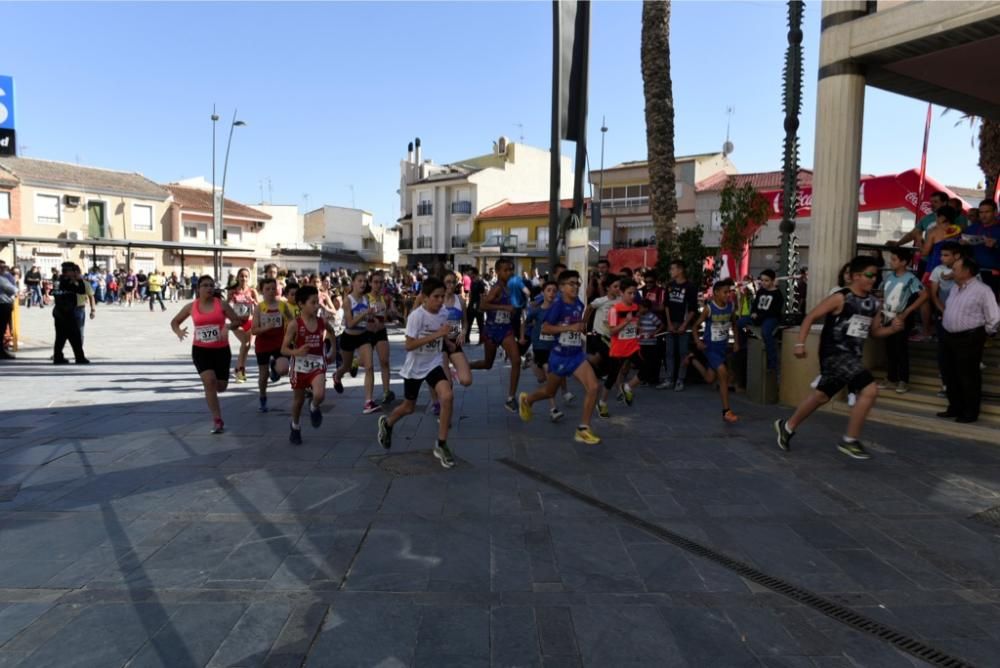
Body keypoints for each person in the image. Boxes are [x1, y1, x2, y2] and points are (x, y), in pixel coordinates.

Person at [775, 256, 904, 460]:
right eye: (869, 274)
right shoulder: (840, 297)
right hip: (834, 354)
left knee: (821, 396)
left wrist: (892, 329)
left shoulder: (873, 303)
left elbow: (875, 332)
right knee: (869, 390)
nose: (873, 279)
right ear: (855, 276)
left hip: (853, 357)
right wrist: (800, 343)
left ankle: (787, 426)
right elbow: (810, 317)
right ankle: (850, 440)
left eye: (875, 275)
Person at [377, 277, 459, 469]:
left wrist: (449, 341)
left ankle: (441, 444)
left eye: (442, 296)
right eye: (436, 297)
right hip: (415, 366)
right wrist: (437, 335)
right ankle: (387, 423)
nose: (440, 301)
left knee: (447, 396)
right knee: (409, 407)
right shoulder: (417, 316)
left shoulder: (444, 313)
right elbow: (409, 345)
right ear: (425, 298)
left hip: (434, 363)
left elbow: (448, 335)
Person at [518, 270, 602, 445]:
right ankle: (527, 400)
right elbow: (546, 328)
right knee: (550, 392)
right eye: (571, 283)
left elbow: (577, 326)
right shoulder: (557, 306)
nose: (576, 286)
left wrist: (581, 330)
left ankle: (583, 429)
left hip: (577, 355)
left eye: (577, 283)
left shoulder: (579, 304)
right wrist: (570, 328)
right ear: (562, 287)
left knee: (594, 387)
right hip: (560, 357)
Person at [171, 275, 243, 433]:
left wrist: (230, 326)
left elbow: (238, 320)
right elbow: (174, 322)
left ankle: (213, 388)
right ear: (198, 289)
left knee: (221, 387)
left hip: (221, 350)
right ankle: (217, 420)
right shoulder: (191, 306)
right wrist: (178, 331)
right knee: (209, 381)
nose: (209, 288)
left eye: (211, 285)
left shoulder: (222, 305)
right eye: (205, 285)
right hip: (200, 350)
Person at [938, 256, 1000, 424]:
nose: (952, 271)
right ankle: (954, 407)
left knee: (968, 376)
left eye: (955, 268)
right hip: (948, 336)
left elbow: (994, 316)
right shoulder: (954, 288)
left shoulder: (983, 290)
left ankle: (970, 412)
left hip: (969, 337)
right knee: (949, 374)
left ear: (966, 271)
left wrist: (985, 333)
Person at [282, 285, 339, 445]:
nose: (316, 306)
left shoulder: (322, 322)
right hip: (299, 366)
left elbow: (332, 332)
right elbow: (283, 348)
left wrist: (333, 350)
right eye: (313, 303)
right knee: (298, 401)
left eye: (317, 302)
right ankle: (295, 426)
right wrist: (297, 351)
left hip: (317, 363)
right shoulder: (295, 324)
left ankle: (314, 406)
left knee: (320, 394)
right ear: (301, 304)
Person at [469, 258, 522, 412]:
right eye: (505, 270)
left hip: (506, 329)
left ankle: (511, 398)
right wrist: (504, 307)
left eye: (511, 269)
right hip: (492, 330)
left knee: (516, 361)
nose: (509, 272)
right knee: (488, 364)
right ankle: (467, 365)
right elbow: (483, 305)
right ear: (498, 272)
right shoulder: (496, 288)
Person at [686, 279, 740, 423]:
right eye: (725, 292)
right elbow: (695, 327)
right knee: (723, 374)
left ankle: (692, 359)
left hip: (722, 347)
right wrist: (698, 341)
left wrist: (736, 342)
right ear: (716, 293)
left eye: (729, 292)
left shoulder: (730, 306)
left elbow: (734, 325)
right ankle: (726, 411)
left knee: (710, 379)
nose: (728, 295)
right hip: (711, 348)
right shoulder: (709, 308)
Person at [879, 247, 927, 393]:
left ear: (904, 262)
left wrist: (908, 311)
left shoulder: (911, 278)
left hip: (901, 317)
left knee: (900, 348)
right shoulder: (889, 277)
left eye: (894, 259)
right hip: (887, 316)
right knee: (890, 348)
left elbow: (924, 295)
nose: (891, 262)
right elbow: (882, 293)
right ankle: (891, 378)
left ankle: (903, 380)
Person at [333, 271, 380, 413]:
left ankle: (368, 402)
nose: (363, 283)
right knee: (346, 367)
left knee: (369, 367)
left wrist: (374, 319)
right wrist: (365, 313)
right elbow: (350, 323)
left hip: (363, 336)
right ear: (353, 283)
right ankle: (337, 376)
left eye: (364, 281)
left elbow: (369, 319)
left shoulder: (366, 299)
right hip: (348, 336)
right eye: (359, 281)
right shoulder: (347, 300)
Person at [522, 279, 565, 421]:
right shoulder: (537, 311)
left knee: (543, 379)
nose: (552, 293)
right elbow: (524, 323)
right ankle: (553, 409)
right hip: (540, 346)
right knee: (548, 376)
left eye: (554, 291)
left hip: (554, 347)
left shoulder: (559, 311)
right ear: (543, 293)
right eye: (549, 290)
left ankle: (531, 360)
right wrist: (522, 337)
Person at [600, 278, 643, 413]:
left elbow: (635, 323)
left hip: (633, 347)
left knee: (647, 369)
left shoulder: (635, 307)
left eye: (634, 293)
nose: (632, 296)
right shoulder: (614, 309)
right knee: (612, 377)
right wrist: (626, 322)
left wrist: (638, 329)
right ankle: (602, 403)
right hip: (618, 349)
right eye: (629, 293)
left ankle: (627, 387)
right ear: (622, 293)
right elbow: (612, 331)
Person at [251, 277, 294, 413]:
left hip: (278, 343)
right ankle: (263, 397)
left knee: (283, 369)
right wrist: (266, 328)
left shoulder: (282, 305)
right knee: (263, 376)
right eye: (267, 289)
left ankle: (274, 368)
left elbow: (292, 321)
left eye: (273, 288)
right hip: (263, 344)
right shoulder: (259, 307)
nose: (271, 291)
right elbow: (254, 330)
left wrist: (293, 332)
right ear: (262, 291)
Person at [929, 241, 961, 397]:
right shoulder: (937, 270)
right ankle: (946, 385)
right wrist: (944, 311)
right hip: (943, 316)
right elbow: (933, 294)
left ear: (957, 256)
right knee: (944, 352)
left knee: (958, 352)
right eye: (941, 255)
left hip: (963, 319)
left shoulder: (968, 271)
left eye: (946, 255)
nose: (942, 258)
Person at [661, 260, 699, 391]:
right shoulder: (669, 285)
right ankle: (669, 378)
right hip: (671, 322)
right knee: (669, 352)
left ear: (680, 270)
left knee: (683, 352)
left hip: (684, 323)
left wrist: (684, 325)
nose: (671, 272)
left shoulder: (690, 287)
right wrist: (669, 323)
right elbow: (666, 305)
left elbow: (693, 309)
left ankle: (680, 380)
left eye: (673, 269)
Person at [365, 271, 396, 406]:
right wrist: (370, 317)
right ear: (370, 283)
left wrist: (392, 312)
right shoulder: (365, 298)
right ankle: (369, 399)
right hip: (367, 333)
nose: (378, 285)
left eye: (381, 282)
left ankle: (386, 392)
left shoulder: (386, 298)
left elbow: (390, 313)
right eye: (375, 282)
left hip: (381, 332)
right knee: (369, 366)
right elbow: (361, 317)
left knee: (384, 362)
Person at [961, 199, 1000, 299]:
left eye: (987, 212)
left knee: (990, 306)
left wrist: (996, 244)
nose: (983, 215)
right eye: (981, 212)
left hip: (994, 274)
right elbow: (960, 239)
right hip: (973, 273)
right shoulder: (973, 228)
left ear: (995, 212)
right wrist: (961, 242)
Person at [747, 269, 784, 372]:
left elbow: (774, 311)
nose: (763, 283)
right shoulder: (760, 291)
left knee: (766, 332)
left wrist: (759, 316)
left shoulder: (777, 294)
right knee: (740, 322)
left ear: (772, 281)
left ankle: (772, 362)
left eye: (766, 280)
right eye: (762, 280)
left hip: (771, 318)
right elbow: (755, 304)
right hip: (757, 317)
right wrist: (753, 313)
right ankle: (743, 347)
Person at [52, 263, 88, 364]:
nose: (75, 273)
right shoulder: (64, 282)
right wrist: (79, 280)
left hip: (61, 312)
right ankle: (79, 357)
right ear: (68, 271)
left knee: (61, 337)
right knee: (74, 336)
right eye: (73, 271)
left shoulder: (61, 281)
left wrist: (78, 280)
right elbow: (81, 291)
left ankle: (59, 357)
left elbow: (81, 291)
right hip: (65, 313)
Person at [227, 268, 257, 382]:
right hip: (237, 322)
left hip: (250, 321)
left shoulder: (252, 291)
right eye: (241, 276)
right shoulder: (232, 291)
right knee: (245, 344)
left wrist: (253, 301)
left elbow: (260, 307)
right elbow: (226, 306)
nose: (243, 278)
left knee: (247, 346)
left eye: (246, 276)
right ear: (238, 277)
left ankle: (238, 368)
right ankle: (240, 371)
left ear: (249, 278)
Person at [0, 263, 15, 360]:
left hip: (5, 304)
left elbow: (12, 288)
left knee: (2, 328)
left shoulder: (6, 276)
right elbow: (11, 289)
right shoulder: (3, 278)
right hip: (2, 304)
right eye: (1, 267)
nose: (3, 269)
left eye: (4, 267)